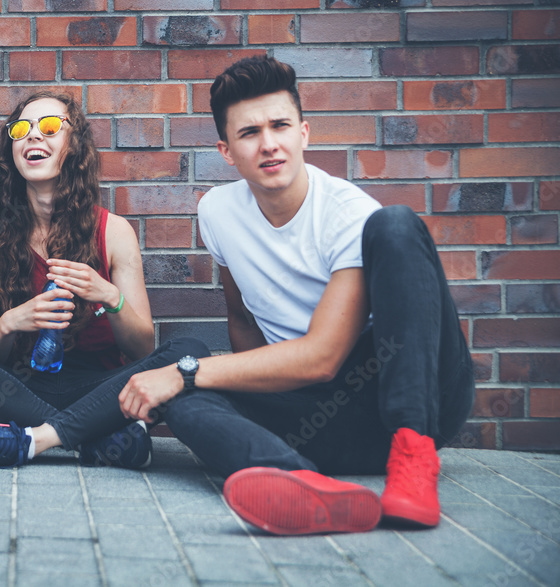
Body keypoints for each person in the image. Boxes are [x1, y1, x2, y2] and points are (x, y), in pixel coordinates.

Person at [118, 57, 475, 534]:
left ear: (303, 132)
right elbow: (241, 319)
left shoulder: (348, 214)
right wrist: (198, 384)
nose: (269, 144)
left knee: (395, 225)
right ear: (226, 151)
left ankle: (413, 457)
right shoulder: (217, 213)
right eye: (249, 133)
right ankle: (300, 482)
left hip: (413, 394)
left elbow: (322, 358)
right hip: (327, 421)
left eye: (280, 126)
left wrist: (185, 371)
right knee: (185, 398)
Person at [0, 91, 208, 469]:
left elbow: (142, 349)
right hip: (18, 387)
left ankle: (34, 439)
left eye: (50, 127)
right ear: (12, 151)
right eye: (21, 129)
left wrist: (109, 295)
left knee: (189, 352)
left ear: (75, 145)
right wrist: (11, 322)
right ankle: (94, 438)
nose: (34, 136)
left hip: (99, 389)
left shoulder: (113, 232)